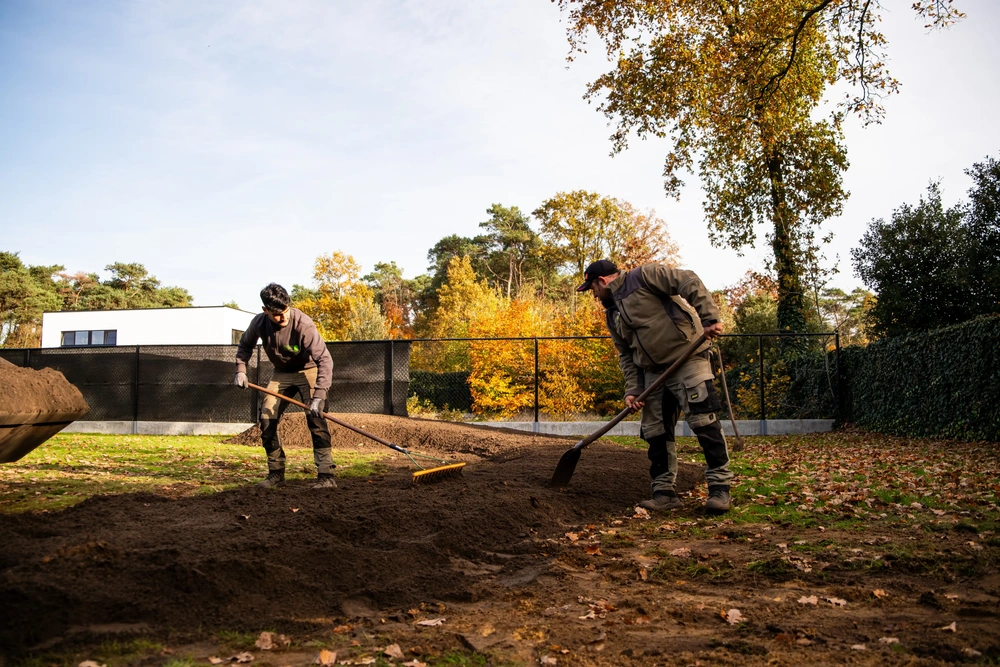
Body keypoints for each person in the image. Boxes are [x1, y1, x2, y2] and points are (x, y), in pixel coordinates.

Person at [577, 259, 733, 513]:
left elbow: (688, 280)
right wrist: (633, 390)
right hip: (652, 373)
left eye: (592, 289)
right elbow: (626, 355)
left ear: (602, 281)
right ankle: (664, 493)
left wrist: (710, 317)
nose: (594, 296)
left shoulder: (645, 276)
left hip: (687, 358)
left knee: (703, 421)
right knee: (655, 431)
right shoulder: (612, 313)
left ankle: (719, 489)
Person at [234, 283, 337, 489]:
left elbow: (325, 360)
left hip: (308, 370)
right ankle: (276, 473)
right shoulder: (260, 323)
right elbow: (245, 345)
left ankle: (326, 476)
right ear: (265, 311)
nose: (283, 318)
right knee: (266, 418)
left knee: (316, 419)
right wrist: (240, 370)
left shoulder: (303, 324)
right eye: (277, 315)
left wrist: (318, 396)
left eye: (286, 311)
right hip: (281, 373)